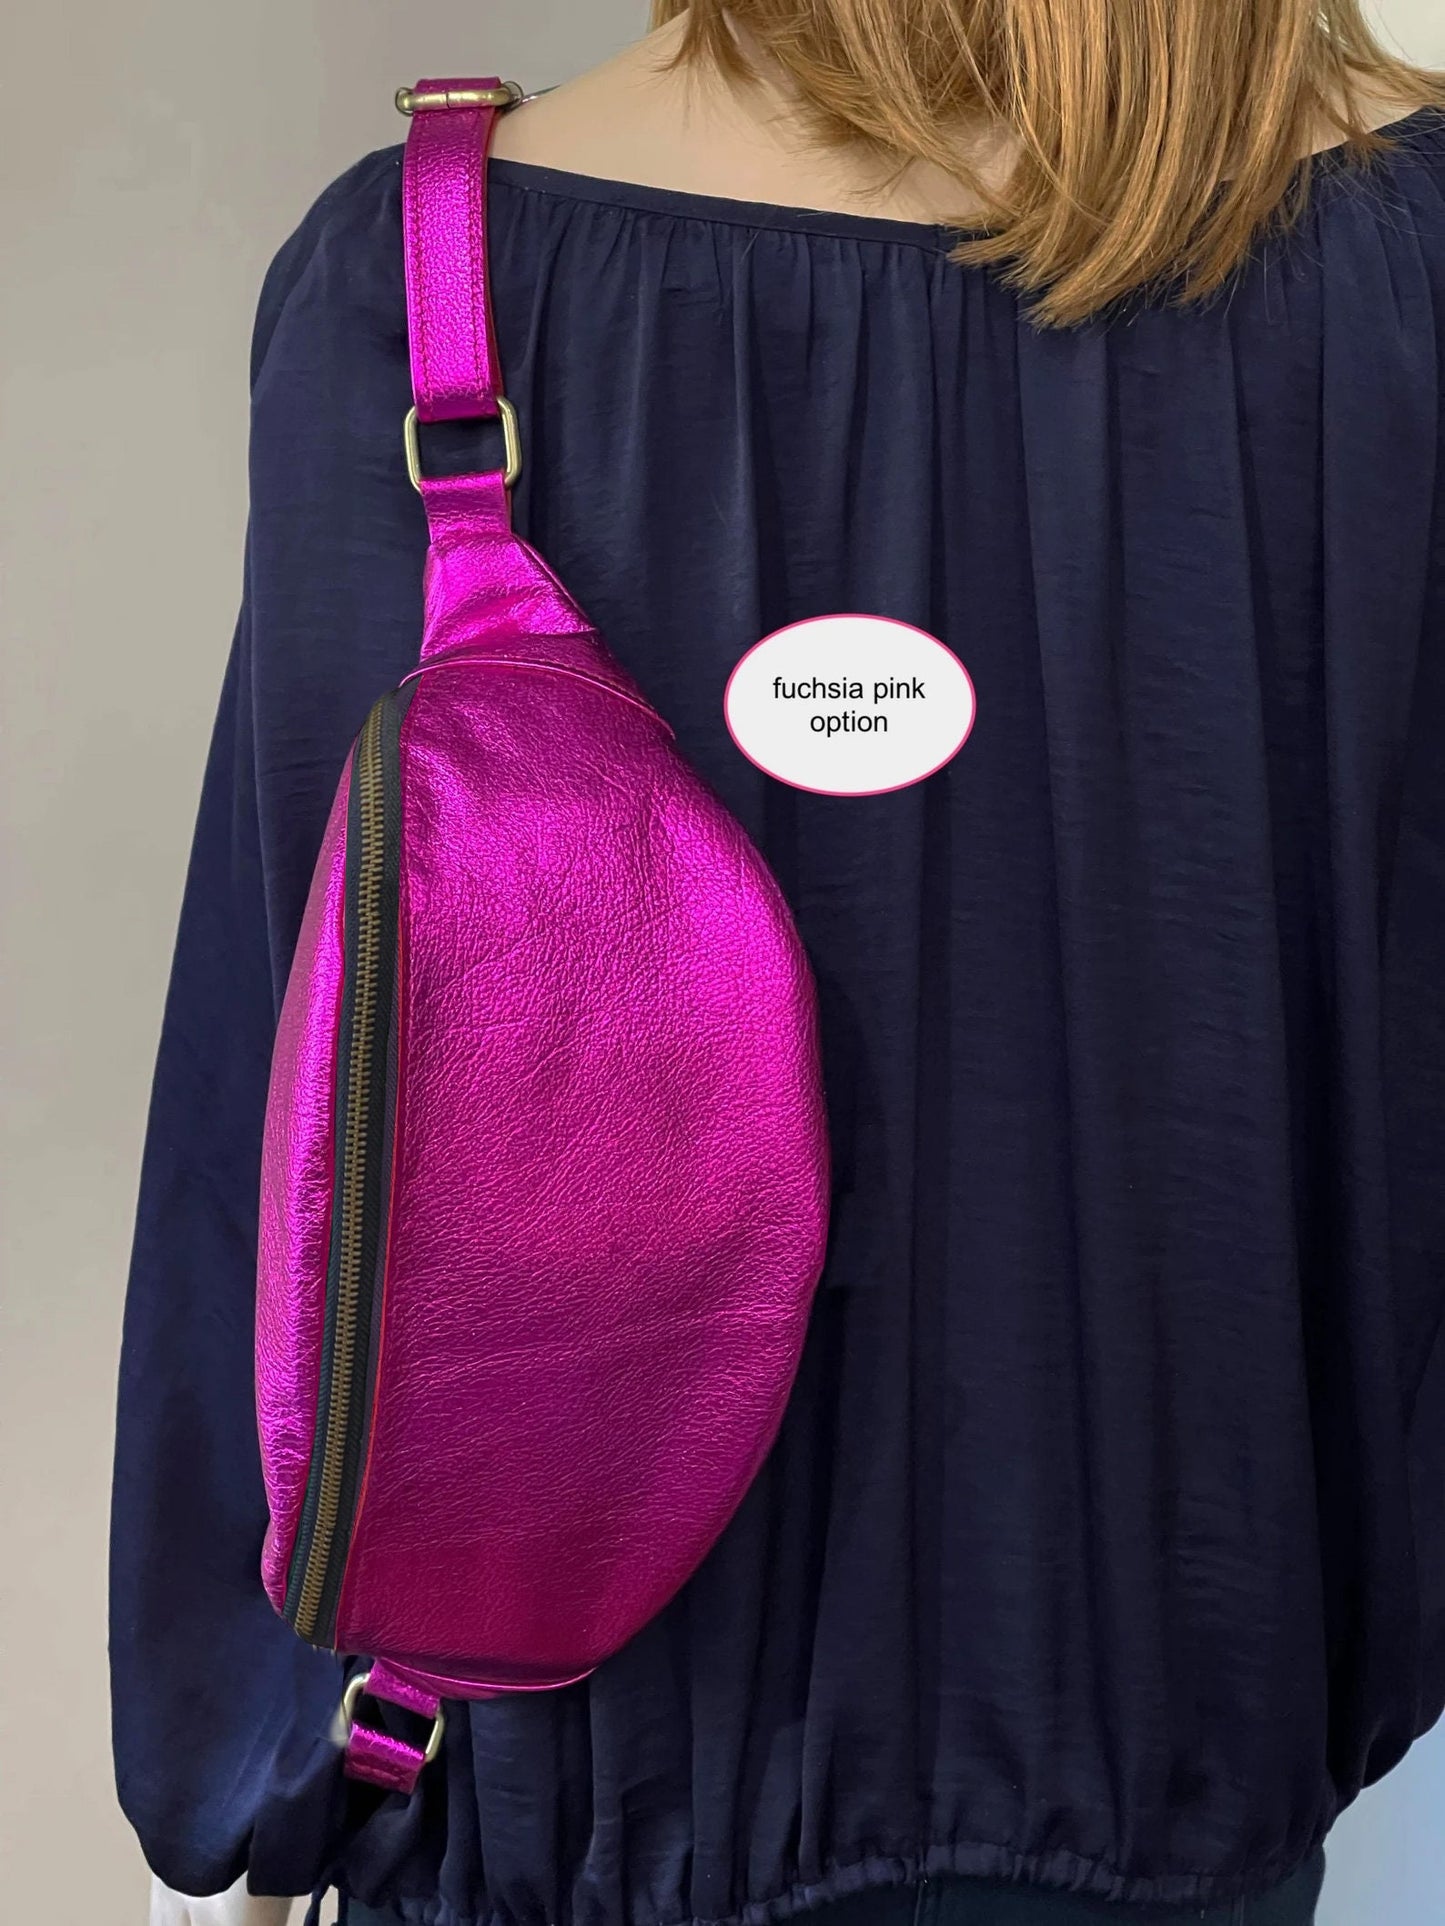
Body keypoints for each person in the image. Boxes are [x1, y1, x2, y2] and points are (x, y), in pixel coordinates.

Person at [114, 5, 1445, 1925]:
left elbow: (295, 1125)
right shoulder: (1401, 268)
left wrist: (239, 1775)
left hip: (562, 1795)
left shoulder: (427, 282)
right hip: (1181, 1754)